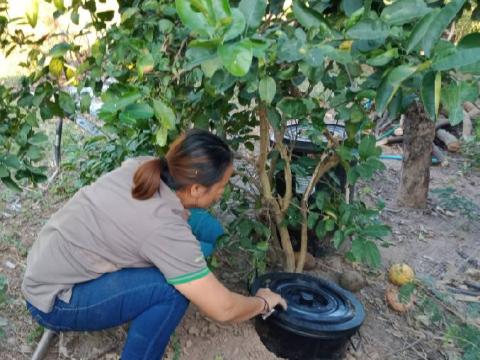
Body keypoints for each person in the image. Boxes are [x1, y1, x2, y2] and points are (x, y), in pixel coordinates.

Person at [22, 129, 287, 359]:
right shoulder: (164, 230)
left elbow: (175, 216)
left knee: (180, 266)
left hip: (45, 269)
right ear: (196, 189)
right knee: (171, 290)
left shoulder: (146, 168)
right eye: (222, 186)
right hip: (54, 301)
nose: (222, 192)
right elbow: (223, 308)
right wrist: (261, 302)